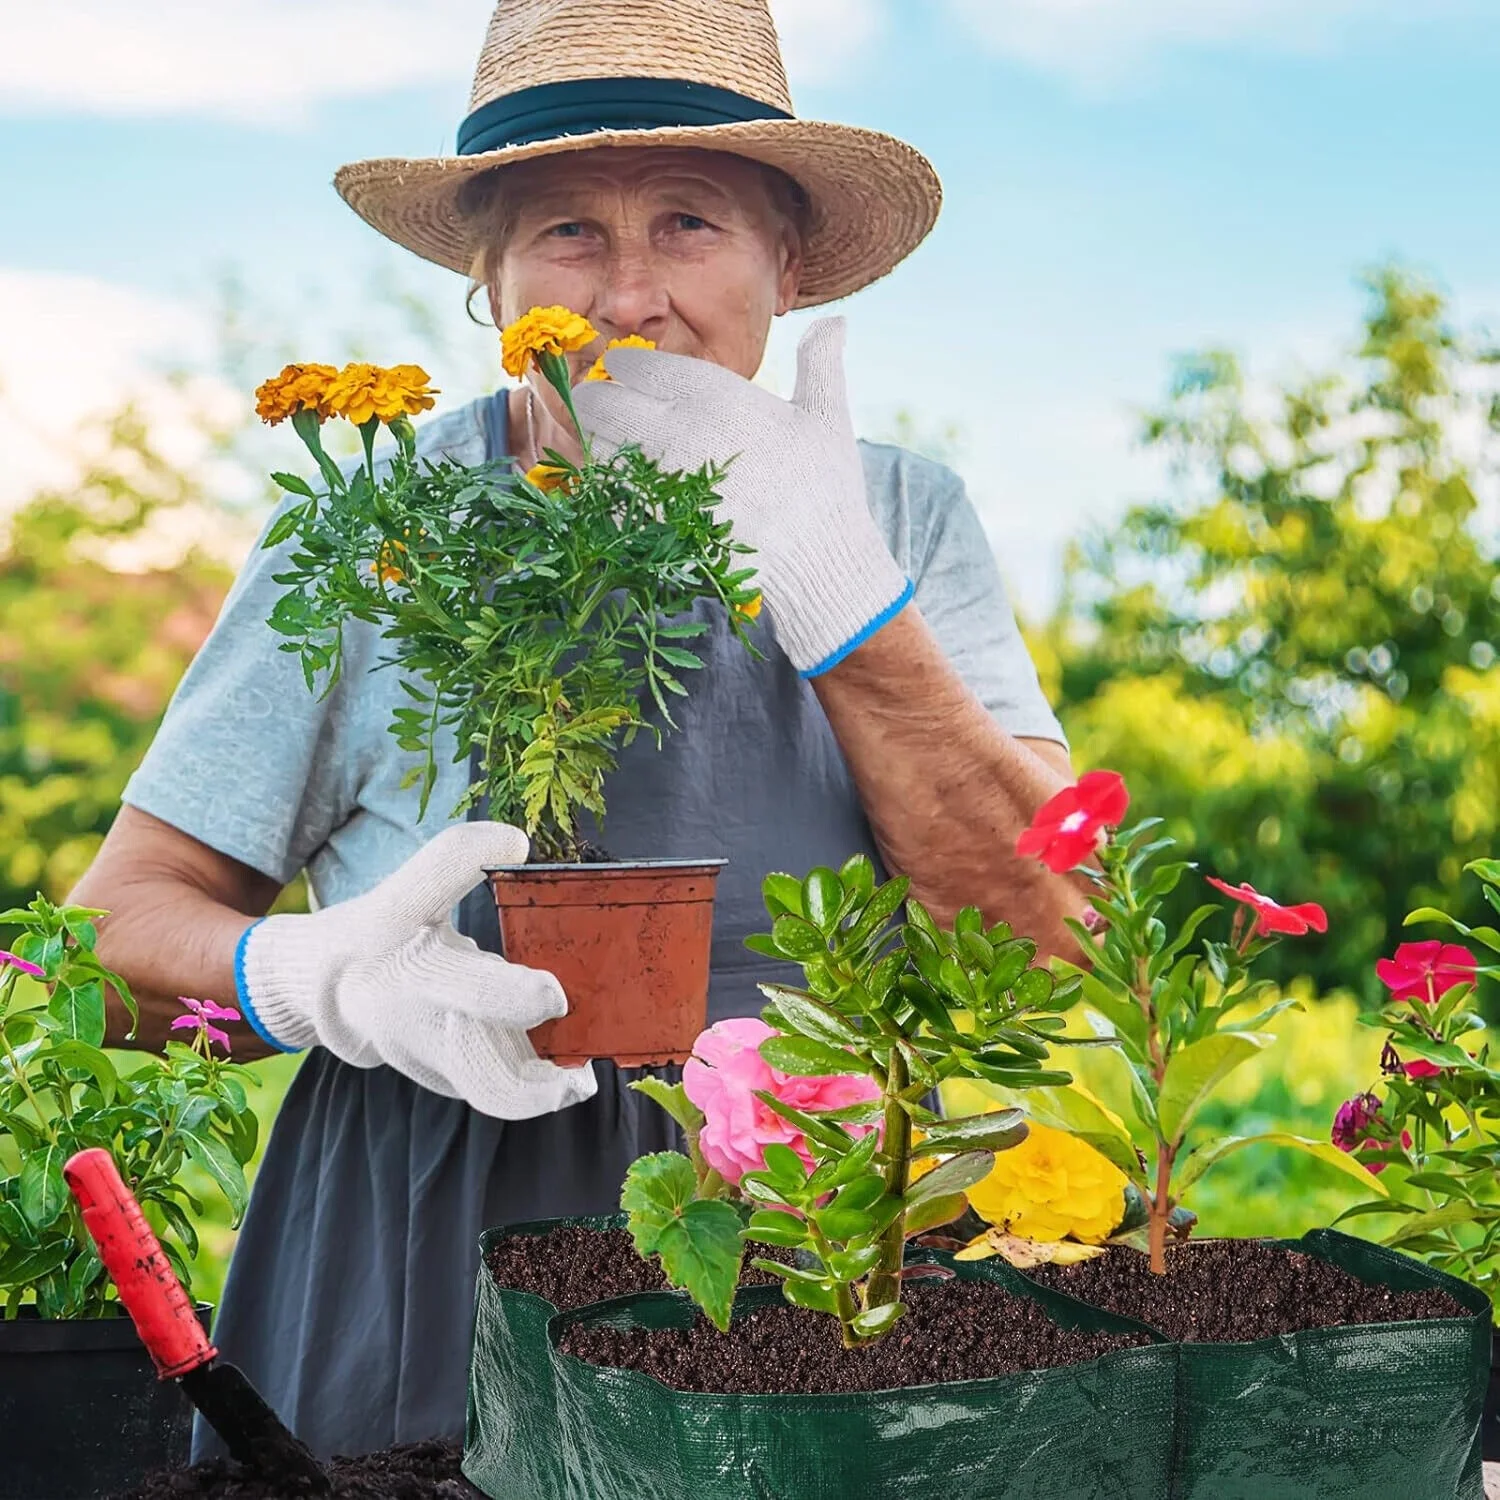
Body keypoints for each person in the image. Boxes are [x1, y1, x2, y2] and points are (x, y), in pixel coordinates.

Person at [72, 0, 1083, 1459]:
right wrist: (301, 977)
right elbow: (108, 941)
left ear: (786, 266)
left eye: (689, 223)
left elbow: (1050, 925)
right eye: (565, 234)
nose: (626, 299)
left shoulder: (905, 515)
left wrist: (843, 594)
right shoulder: (373, 530)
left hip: (810, 1234)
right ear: (486, 281)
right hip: (421, 1241)